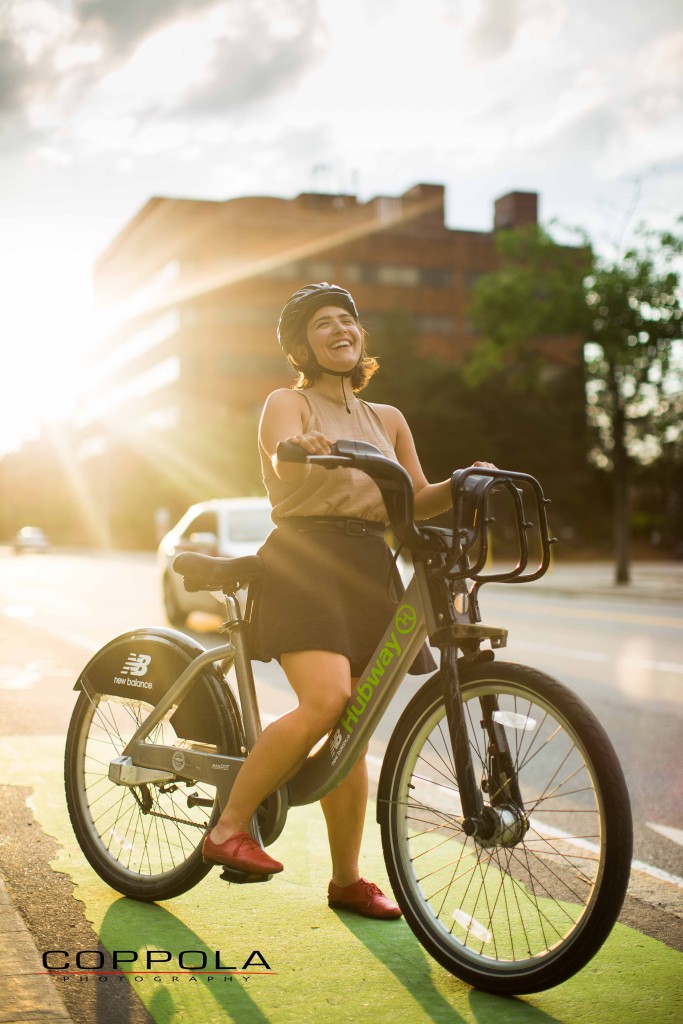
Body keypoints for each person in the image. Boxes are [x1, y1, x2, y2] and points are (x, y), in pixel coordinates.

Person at [202, 283, 495, 919]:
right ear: (304, 345)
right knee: (327, 701)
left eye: (348, 321)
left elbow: (412, 500)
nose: (341, 329)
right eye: (323, 324)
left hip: (369, 566)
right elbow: (285, 469)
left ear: (361, 338)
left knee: (353, 726)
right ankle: (227, 829)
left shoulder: (387, 419)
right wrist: (301, 453)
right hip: (305, 560)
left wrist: (462, 481)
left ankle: (346, 880)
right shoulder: (288, 401)